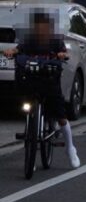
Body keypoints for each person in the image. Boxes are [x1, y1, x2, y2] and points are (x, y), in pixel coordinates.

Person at [3, 11, 80, 169]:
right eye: (38, 27)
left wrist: (62, 55)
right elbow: (19, 49)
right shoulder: (29, 40)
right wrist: (12, 52)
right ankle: (30, 136)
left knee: (61, 115)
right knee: (26, 103)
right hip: (32, 79)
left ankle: (71, 148)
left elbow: (65, 53)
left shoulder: (56, 40)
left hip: (50, 80)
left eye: (44, 27)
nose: (41, 30)